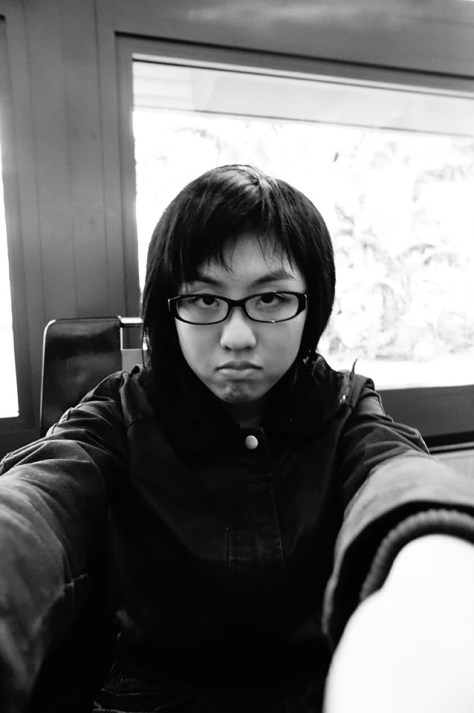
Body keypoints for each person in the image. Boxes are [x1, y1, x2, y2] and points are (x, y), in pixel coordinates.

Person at [1, 164, 474, 713]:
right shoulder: (121, 414)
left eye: (270, 299)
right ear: (169, 308)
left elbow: (396, 475)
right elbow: (38, 497)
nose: (237, 336)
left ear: (312, 303)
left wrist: (435, 562)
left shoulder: (343, 408)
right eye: (205, 299)